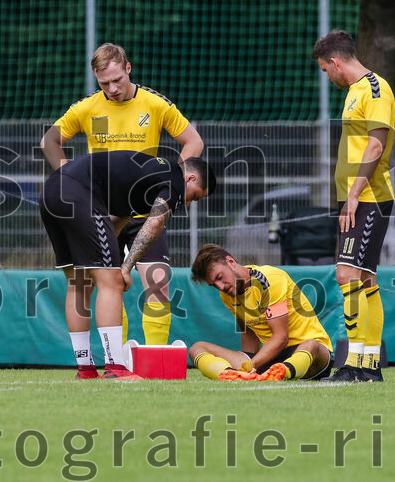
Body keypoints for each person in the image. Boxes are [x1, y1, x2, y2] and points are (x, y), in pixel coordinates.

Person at [41, 43, 204, 347]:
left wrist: (168, 184)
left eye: (117, 80)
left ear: (128, 68)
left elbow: (193, 142)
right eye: (105, 83)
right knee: (108, 284)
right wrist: (66, 177)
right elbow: (49, 140)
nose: (113, 89)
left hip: (145, 213)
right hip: (103, 212)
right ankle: (122, 358)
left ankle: (154, 356)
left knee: (158, 282)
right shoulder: (87, 107)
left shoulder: (155, 104)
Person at [40, 150, 215, 380]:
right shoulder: (174, 181)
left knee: (79, 283)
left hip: (52, 192)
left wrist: (110, 258)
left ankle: (85, 369)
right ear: (190, 179)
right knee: (111, 283)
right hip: (79, 193)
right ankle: (116, 368)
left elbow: (118, 220)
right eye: (196, 196)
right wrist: (124, 268)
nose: (189, 203)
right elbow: (154, 224)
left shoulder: (147, 176)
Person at [313, 30, 395, 382]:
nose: (326, 76)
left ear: (334, 62)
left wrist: (354, 192)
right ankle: (368, 365)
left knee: (347, 275)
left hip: (368, 198)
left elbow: (376, 146)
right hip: (357, 197)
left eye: (323, 69)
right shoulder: (356, 92)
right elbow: (391, 128)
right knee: (364, 279)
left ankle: (353, 364)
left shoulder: (375, 88)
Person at [187, 244, 333, 381]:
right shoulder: (227, 294)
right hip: (271, 359)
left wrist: (251, 365)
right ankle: (232, 376)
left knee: (311, 345)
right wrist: (249, 367)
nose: (220, 287)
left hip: (312, 357)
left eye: (219, 277)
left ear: (230, 261)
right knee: (197, 348)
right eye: (214, 285)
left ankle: (283, 372)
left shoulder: (270, 280)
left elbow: (281, 338)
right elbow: (248, 332)